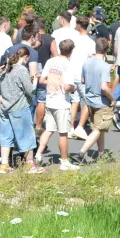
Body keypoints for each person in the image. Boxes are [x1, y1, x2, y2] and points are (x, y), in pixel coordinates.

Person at [0, 45, 39, 173]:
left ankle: (4, 165)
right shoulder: (21, 70)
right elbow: (30, 91)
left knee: (6, 137)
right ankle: (30, 165)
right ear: (25, 57)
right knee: (27, 136)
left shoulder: (6, 69)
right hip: (19, 107)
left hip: (5, 107)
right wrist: (35, 81)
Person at [37, 38, 79, 170]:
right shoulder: (67, 64)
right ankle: (64, 161)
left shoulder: (51, 61)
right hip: (62, 102)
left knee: (49, 129)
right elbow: (67, 86)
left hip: (50, 100)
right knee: (63, 133)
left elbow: (42, 80)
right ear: (71, 51)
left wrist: (52, 83)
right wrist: (74, 88)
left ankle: (38, 154)